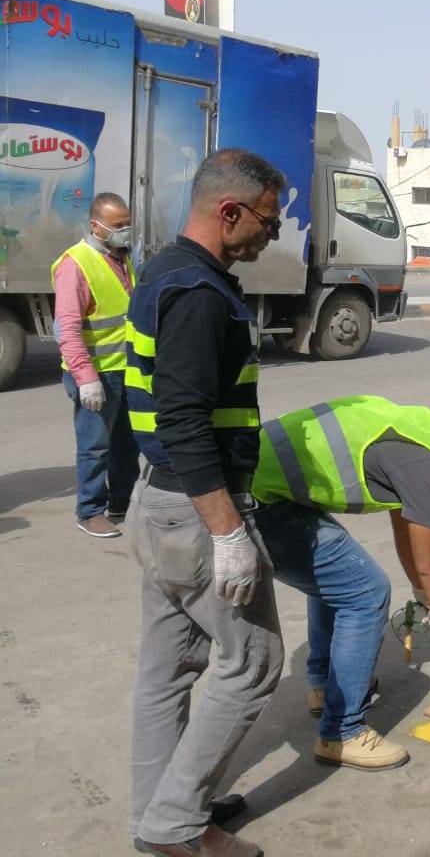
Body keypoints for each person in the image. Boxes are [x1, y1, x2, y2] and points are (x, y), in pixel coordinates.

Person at [125, 150, 286, 857]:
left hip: (158, 504)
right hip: (195, 512)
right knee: (254, 661)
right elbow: (183, 420)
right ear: (230, 213)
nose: (270, 236)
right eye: (267, 222)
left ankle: (160, 805)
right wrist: (229, 533)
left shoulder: (163, 269)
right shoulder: (196, 293)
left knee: (170, 668)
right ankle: (176, 826)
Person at [251, 393, 430, 770]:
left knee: (341, 574)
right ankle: (341, 732)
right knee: (366, 591)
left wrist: (420, 592)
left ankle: (323, 685)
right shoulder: (422, 462)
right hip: (250, 502)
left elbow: (406, 529)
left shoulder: (415, 426)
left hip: (260, 484)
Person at [52, 191, 141, 538]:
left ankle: (123, 501)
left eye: (128, 224)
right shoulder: (75, 264)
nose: (126, 231)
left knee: (126, 443)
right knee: (95, 445)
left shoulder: (120, 257)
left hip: (124, 370)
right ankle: (89, 511)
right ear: (96, 226)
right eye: (119, 226)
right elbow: (67, 328)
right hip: (96, 374)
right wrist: (86, 377)